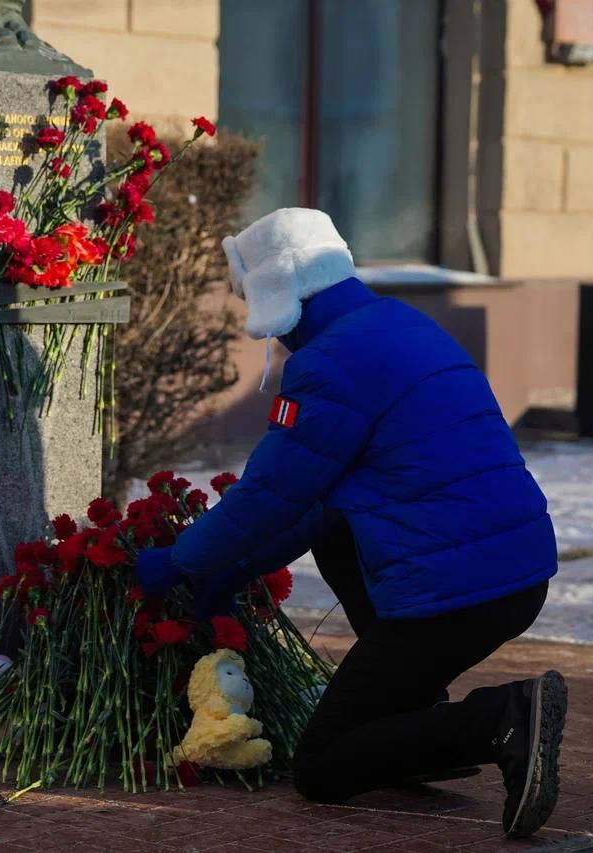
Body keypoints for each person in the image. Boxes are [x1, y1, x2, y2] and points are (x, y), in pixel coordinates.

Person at [136, 207, 565, 838]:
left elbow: (271, 494)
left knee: (321, 764)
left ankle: (500, 720)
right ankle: (417, 723)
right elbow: (322, 504)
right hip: (512, 572)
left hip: (455, 593)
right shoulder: (398, 324)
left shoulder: (331, 363)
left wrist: (178, 561)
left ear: (280, 292)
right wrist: (236, 567)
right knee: (337, 536)